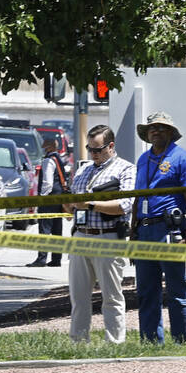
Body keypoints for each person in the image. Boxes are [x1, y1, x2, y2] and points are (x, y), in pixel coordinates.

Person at [130, 112, 186, 344]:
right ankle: (150, 341)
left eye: (162, 127)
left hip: (169, 231)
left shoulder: (184, 159)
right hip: (144, 232)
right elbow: (137, 199)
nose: (156, 131)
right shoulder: (142, 159)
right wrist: (133, 233)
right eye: (152, 128)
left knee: (176, 290)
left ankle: (183, 342)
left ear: (171, 133)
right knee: (146, 291)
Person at [63, 125, 136, 343]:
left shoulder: (126, 169)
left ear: (110, 146)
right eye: (89, 149)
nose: (93, 154)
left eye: (97, 150)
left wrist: (92, 204)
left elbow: (125, 204)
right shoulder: (83, 170)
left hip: (108, 236)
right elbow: (71, 209)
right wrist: (66, 204)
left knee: (111, 296)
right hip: (80, 235)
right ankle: (78, 342)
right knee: (78, 297)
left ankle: (114, 342)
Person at [28, 136, 69, 267]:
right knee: (57, 230)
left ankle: (41, 259)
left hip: (49, 199)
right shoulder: (58, 159)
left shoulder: (48, 161)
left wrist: (42, 197)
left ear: (49, 146)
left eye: (45, 144)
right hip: (59, 198)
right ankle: (56, 259)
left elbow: (47, 182)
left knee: (44, 229)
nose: (43, 147)